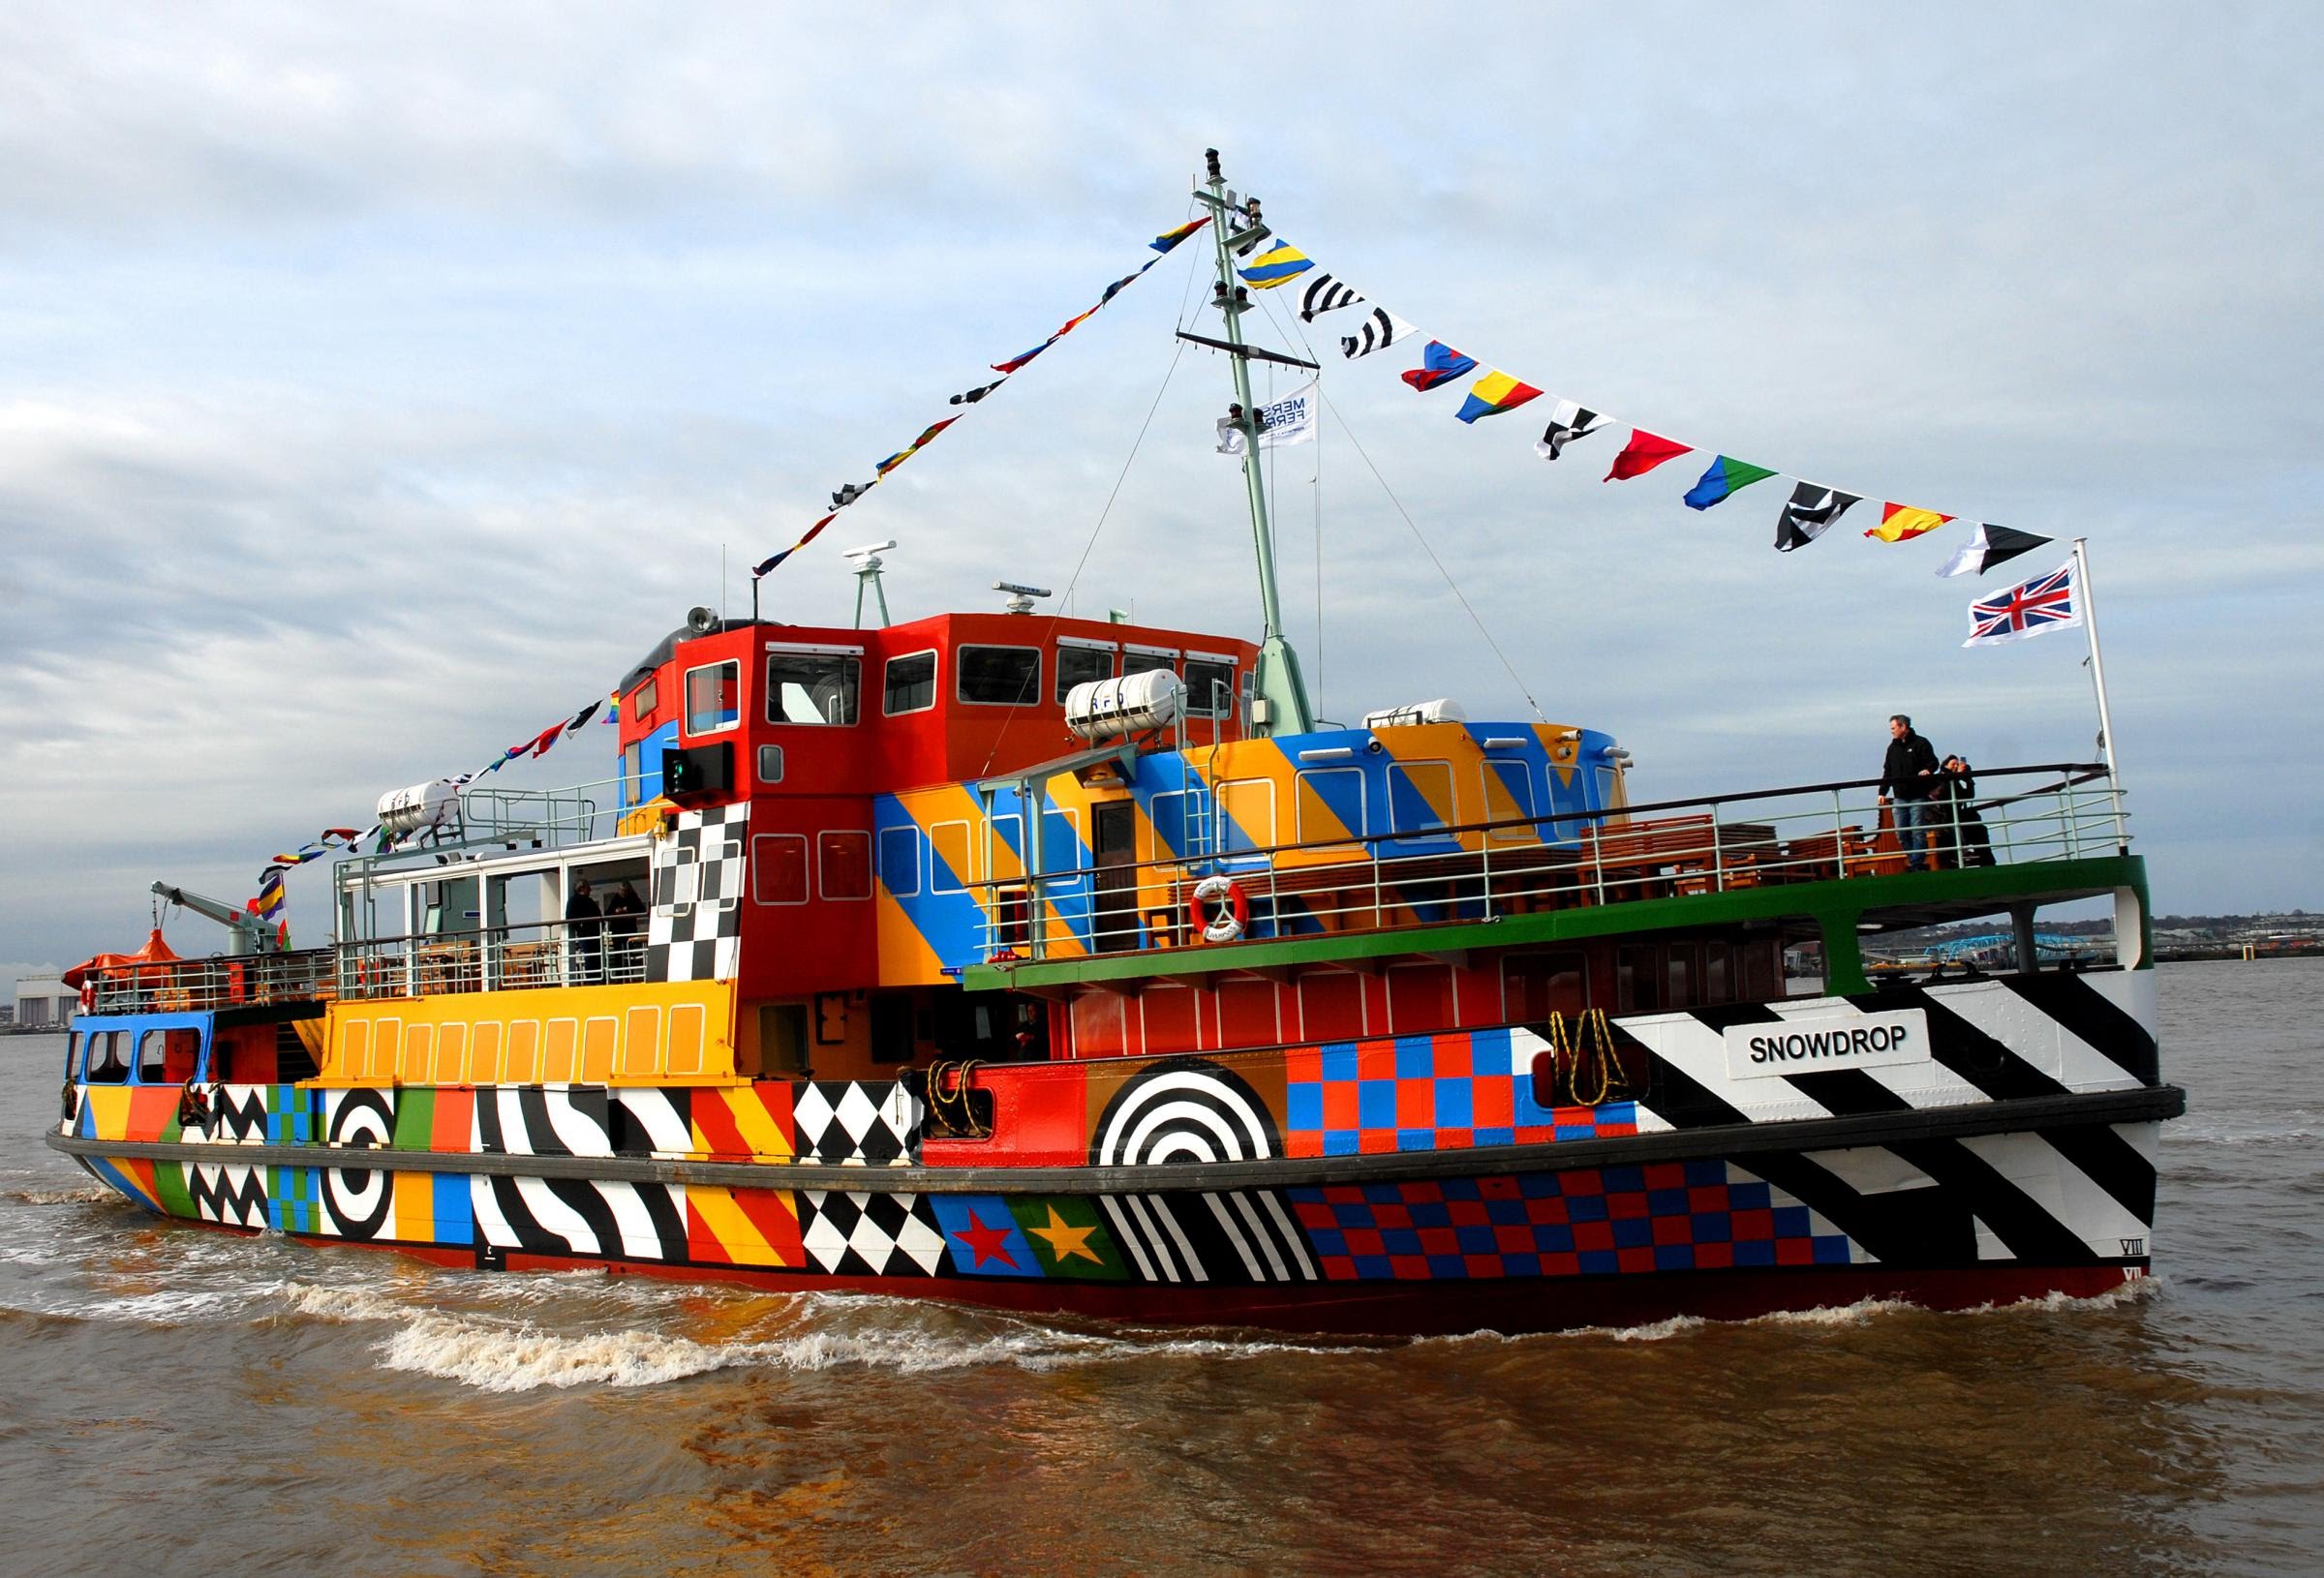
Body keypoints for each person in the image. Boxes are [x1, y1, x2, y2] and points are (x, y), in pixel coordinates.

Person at [1878, 713, 1941, 871]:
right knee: (1901, 833)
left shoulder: (1921, 743)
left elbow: (1933, 761)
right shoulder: (1892, 748)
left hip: (1917, 795)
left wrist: (1928, 770)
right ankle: (1915, 861)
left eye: (1893, 728)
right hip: (1900, 797)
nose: (1891, 731)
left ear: (1902, 727)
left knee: (1917, 830)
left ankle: (1916, 863)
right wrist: (1882, 792)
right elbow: (1888, 770)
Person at [1935, 754, 1996, 868]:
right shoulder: (1940, 779)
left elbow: (1968, 796)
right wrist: (1957, 775)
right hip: (1946, 819)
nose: (1955, 767)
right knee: (1972, 828)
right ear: (1945, 765)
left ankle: (1987, 861)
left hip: (1958, 818)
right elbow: (1943, 792)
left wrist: (1968, 780)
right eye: (1953, 764)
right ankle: (1984, 860)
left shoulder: (1955, 780)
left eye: (1957, 765)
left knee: (1979, 828)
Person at [602, 880, 646, 980]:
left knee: (629, 952)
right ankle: (619, 975)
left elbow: (641, 910)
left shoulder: (633, 897)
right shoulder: (616, 898)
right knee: (618, 953)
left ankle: (629, 974)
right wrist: (615, 911)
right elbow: (608, 913)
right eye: (621, 890)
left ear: (628, 890)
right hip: (617, 930)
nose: (623, 893)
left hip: (629, 930)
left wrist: (628, 909)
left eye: (625, 891)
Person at [565, 876, 602, 985]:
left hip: (595, 932)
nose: (590, 890)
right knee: (590, 956)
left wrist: (601, 925)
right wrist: (580, 926)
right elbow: (570, 918)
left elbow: (598, 914)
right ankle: (591, 979)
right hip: (585, 933)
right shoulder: (573, 901)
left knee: (597, 955)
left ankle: (598, 977)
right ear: (581, 888)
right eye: (588, 888)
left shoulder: (589, 901)